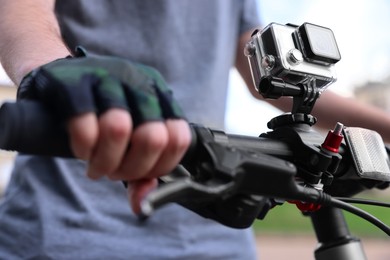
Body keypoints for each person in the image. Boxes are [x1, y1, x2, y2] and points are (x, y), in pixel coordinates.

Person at [1, 1, 390, 259]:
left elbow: (266, 77)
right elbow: (21, 9)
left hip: (217, 234)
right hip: (64, 227)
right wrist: (53, 66)